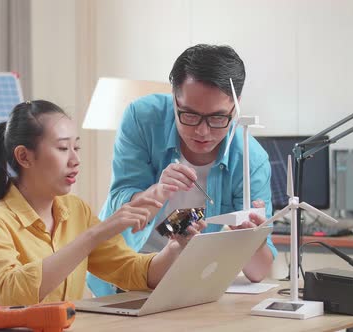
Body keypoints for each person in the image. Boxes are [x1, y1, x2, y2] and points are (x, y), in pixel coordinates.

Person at [0, 100, 206, 306]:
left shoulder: (76, 210)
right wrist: (94, 235)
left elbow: (133, 273)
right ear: (24, 156)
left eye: (76, 147)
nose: (75, 160)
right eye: (63, 148)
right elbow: (11, 293)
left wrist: (175, 248)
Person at [87, 44, 277, 297]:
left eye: (218, 118)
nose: (202, 131)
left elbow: (258, 272)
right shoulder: (142, 118)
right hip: (124, 273)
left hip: (187, 283)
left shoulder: (251, 160)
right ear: (174, 98)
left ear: (237, 107)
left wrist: (254, 239)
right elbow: (120, 196)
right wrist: (155, 193)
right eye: (189, 114)